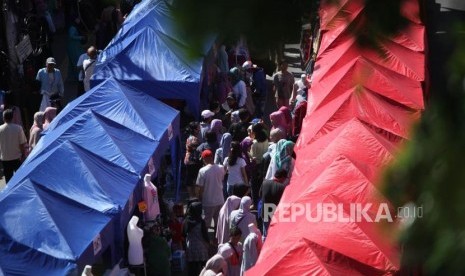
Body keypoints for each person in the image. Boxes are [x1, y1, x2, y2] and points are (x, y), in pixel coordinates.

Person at [196, 150, 225, 231]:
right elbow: (221, 179)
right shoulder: (221, 168)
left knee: (206, 223)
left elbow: (200, 188)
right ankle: (217, 240)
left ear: (204, 159)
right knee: (218, 222)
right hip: (220, 200)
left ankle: (206, 240)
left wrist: (199, 198)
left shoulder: (202, 171)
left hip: (208, 201)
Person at [0, 109, 27, 183]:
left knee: (8, 180)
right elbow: (22, 143)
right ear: (12, 118)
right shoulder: (18, 128)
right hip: (17, 158)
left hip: (5, 158)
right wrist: (23, 155)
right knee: (19, 179)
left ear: (3, 118)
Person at [183, 202, 210, 276]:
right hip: (201, 249)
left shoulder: (187, 221)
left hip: (191, 248)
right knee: (203, 268)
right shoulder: (201, 222)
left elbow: (184, 234)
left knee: (192, 269)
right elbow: (205, 236)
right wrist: (209, 244)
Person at [260, 169, 287, 237]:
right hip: (275, 215)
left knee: (265, 235)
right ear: (282, 177)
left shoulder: (265, 183)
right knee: (274, 235)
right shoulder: (282, 188)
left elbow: (260, 195)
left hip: (265, 213)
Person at [67, 17, 86, 81]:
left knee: (74, 61)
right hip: (73, 47)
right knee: (76, 61)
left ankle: (74, 76)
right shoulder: (72, 28)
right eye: (77, 18)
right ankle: (78, 76)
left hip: (76, 46)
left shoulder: (74, 26)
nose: (79, 20)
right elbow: (71, 36)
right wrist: (80, 37)